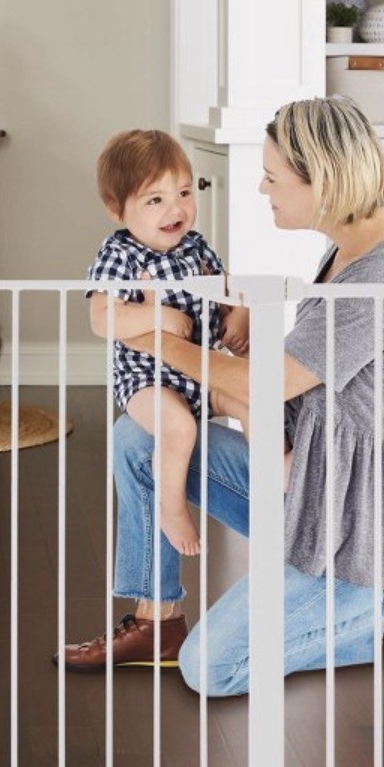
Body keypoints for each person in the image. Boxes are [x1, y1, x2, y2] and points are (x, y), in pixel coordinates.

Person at [59, 97, 384, 691]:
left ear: (319, 179)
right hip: (315, 480)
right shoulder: (346, 250)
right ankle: (157, 619)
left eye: (272, 177)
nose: (259, 187)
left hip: (359, 519)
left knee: (211, 668)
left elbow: (268, 384)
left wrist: (155, 340)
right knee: (135, 437)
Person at [85, 129, 250, 556]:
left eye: (183, 192)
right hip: (148, 382)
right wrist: (156, 316)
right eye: (154, 200)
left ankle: (280, 473)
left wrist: (239, 316)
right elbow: (103, 319)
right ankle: (171, 505)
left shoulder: (197, 248)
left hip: (204, 373)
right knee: (178, 427)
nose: (175, 208)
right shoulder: (120, 254)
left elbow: (230, 290)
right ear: (116, 209)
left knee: (254, 404)